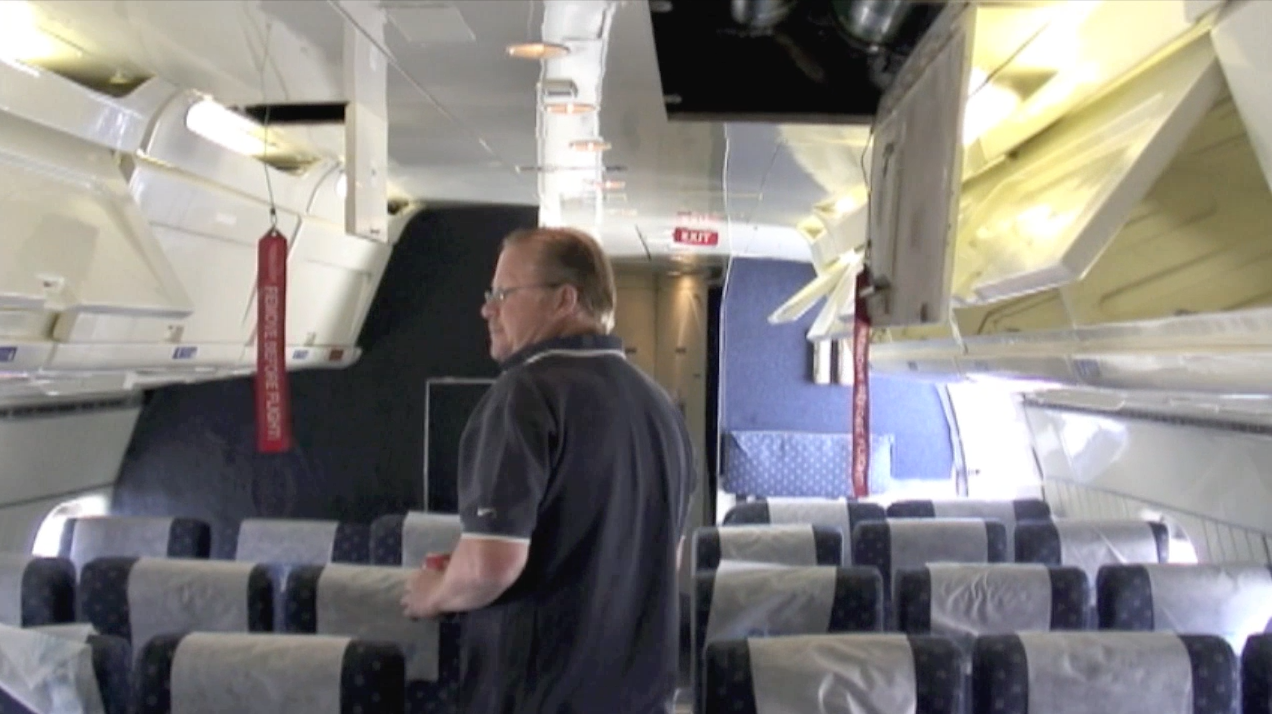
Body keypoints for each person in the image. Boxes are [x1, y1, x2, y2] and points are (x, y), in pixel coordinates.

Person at [401, 226, 698, 714]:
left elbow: (492, 566)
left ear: (564, 300)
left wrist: (435, 593)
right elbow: (668, 559)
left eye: (503, 293)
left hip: (543, 697)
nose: (487, 309)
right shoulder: (660, 405)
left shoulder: (524, 395)